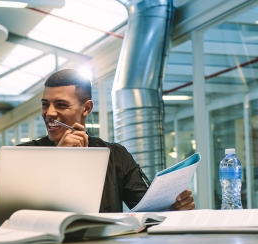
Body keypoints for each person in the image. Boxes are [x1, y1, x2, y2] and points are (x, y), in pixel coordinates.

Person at [19, 69, 194, 212]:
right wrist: (61, 159)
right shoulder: (24, 155)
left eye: (61, 104)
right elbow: (18, 215)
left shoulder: (116, 156)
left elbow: (149, 211)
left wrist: (174, 207)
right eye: (45, 104)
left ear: (86, 108)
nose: (49, 113)